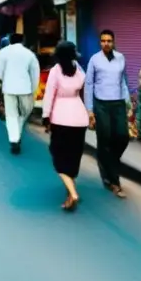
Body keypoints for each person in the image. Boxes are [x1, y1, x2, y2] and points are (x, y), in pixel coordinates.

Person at [84, 29, 133, 198]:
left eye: (109, 41)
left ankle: (108, 162)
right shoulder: (94, 60)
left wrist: (128, 103)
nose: (106, 43)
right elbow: (89, 85)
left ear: (113, 42)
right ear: (100, 43)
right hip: (101, 104)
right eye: (103, 41)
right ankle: (114, 181)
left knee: (123, 137)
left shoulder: (121, 58)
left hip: (118, 103)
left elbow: (123, 82)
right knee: (105, 139)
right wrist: (89, 110)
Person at [41, 41, 89, 211]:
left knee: (58, 157)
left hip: (61, 118)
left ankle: (73, 194)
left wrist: (46, 116)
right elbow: (85, 86)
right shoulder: (78, 69)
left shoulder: (55, 71)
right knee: (73, 155)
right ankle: (70, 192)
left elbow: (49, 94)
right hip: (79, 117)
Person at [0, 33, 40, 155]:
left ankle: (14, 139)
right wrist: (33, 89)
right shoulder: (29, 54)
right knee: (25, 112)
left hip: (8, 87)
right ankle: (17, 133)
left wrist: (1, 84)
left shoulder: (2, 53)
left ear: (10, 41)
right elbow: (35, 73)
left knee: (11, 114)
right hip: (25, 88)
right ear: (22, 41)